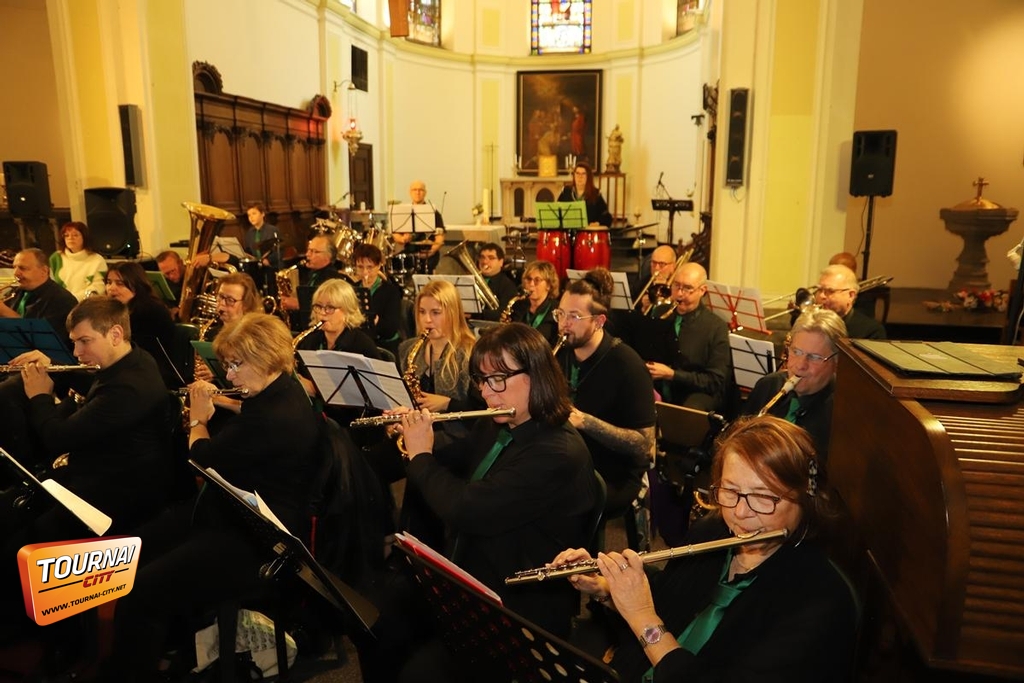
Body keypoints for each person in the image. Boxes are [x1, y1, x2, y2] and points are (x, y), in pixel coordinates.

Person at [366, 323, 599, 681]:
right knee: (377, 620)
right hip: (470, 573)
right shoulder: (501, 424)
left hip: (517, 603)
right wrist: (409, 436)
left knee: (418, 673)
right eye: (481, 381)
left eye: (498, 379)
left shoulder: (557, 452)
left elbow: (465, 509)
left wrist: (421, 456)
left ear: (536, 374)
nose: (488, 393)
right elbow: (451, 458)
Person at [551, 416, 857, 682]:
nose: (740, 512)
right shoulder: (712, 530)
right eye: (731, 491)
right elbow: (673, 601)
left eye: (764, 496)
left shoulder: (820, 601)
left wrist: (642, 617)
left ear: (805, 499)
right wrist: (609, 589)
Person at [106, 313, 322, 679]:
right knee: (136, 547)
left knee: (140, 589)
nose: (231, 375)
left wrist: (198, 417)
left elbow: (202, 459)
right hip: (235, 514)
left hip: (257, 537)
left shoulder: (272, 417)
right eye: (227, 365)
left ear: (266, 357)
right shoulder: (283, 389)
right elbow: (247, 424)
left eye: (237, 365)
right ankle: (168, 649)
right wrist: (225, 403)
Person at [555, 268, 656, 548]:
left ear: (599, 321)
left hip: (614, 472)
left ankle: (578, 576)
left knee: (557, 503)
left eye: (574, 316)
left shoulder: (628, 365)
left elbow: (644, 447)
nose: (564, 324)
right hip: (571, 458)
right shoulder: (560, 353)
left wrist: (586, 421)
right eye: (560, 314)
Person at [742, 308, 846, 469]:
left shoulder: (842, 412)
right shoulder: (768, 386)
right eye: (796, 352)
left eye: (814, 357)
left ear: (836, 362)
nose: (800, 365)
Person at [645, 262, 732, 412]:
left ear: (702, 290)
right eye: (676, 286)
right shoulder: (660, 313)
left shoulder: (716, 327)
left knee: (689, 412)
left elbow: (715, 381)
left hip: (696, 393)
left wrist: (672, 375)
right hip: (660, 387)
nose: (679, 294)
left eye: (687, 288)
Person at [398, 279, 476, 415]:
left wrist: (448, 404)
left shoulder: (470, 352)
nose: (427, 319)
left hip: (456, 432)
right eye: (422, 312)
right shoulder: (408, 348)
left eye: (436, 312)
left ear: (452, 313)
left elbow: (484, 407)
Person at [295, 277, 380, 399]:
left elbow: (370, 395)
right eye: (318, 306)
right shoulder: (309, 341)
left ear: (347, 311)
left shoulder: (362, 345)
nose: (322, 313)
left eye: (330, 308)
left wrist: (317, 390)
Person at [104, 261, 179, 388]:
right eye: (109, 282)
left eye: (120, 283)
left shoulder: (150, 311)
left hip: (154, 377)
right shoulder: (115, 310)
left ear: (137, 286)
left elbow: (135, 353)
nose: (111, 288)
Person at [0, 248, 78, 340]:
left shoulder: (61, 299)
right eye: (14, 267)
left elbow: (41, 337)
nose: (16, 273)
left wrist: (4, 311)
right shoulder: (16, 292)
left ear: (44, 271)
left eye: (23, 268)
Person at [280, 234, 343, 330]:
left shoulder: (332, 279)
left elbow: (327, 308)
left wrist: (298, 304)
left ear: (328, 257)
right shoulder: (311, 273)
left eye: (314, 251)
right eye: (309, 250)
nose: (307, 255)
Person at [352, 242, 403, 356]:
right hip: (359, 343)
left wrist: (376, 321)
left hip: (383, 345)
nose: (365, 272)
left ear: (379, 266)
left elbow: (390, 329)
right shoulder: (351, 290)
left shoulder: (391, 291)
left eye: (370, 267)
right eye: (360, 267)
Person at [815, 264, 886, 339]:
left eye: (830, 291)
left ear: (851, 295)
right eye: (819, 290)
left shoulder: (872, 331)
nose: (821, 296)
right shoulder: (811, 323)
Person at [391, 180, 446, 273]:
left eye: (420, 190)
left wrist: (432, 251)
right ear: (410, 192)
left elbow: (440, 237)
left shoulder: (434, 212)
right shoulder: (403, 211)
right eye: (414, 190)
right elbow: (395, 233)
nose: (417, 192)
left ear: (425, 193)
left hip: (428, 253)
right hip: (410, 252)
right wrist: (402, 239)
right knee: (394, 264)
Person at [48, 221, 107, 300]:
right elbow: (50, 283)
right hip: (61, 303)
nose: (70, 238)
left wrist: (74, 298)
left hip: (86, 304)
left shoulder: (97, 259)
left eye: (75, 235)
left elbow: (99, 286)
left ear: (84, 237)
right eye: (66, 235)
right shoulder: (56, 258)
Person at [507, 259, 559, 346]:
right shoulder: (518, 305)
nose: (531, 284)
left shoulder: (556, 309)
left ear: (549, 285)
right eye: (529, 279)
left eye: (537, 280)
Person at [471, 242, 519, 322]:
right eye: (482, 257)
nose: (485, 262)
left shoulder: (508, 286)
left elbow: (502, 314)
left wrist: (474, 314)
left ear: (501, 262)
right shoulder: (471, 281)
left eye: (491, 258)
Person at [558, 161, 612, 228]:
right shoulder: (566, 192)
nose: (580, 177)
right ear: (574, 175)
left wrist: (598, 223)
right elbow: (557, 210)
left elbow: (607, 216)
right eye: (577, 173)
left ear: (588, 177)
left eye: (583, 174)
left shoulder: (595, 194)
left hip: (587, 233)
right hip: (568, 231)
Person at [242, 200, 282, 270]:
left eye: (254, 214)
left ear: (262, 214)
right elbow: (248, 251)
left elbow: (279, 251)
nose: (251, 217)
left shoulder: (272, 230)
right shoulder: (249, 233)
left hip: (271, 266)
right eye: (249, 215)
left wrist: (268, 260)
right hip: (256, 267)